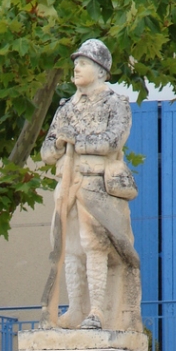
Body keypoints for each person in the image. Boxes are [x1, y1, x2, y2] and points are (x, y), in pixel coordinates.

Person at [40, 39, 143, 333]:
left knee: (95, 245)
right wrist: (60, 141)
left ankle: (97, 310)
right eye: (76, 63)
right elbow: (47, 153)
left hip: (98, 185)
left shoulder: (115, 103)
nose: (76, 67)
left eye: (83, 63)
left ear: (100, 70)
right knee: (70, 248)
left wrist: (76, 140)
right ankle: (76, 309)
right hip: (68, 184)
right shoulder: (66, 107)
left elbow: (112, 141)